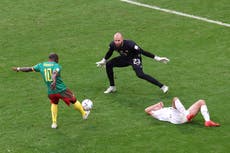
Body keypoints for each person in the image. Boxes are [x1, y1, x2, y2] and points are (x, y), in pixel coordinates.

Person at [12, 53, 90, 129]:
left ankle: (54, 123)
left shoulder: (41, 65)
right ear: (56, 59)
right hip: (61, 89)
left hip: (51, 91)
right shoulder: (56, 65)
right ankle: (84, 114)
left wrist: (18, 69)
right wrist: (54, 81)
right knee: (74, 100)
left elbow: (29, 69)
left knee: (54, 103)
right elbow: (54, 73)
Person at [96, 32, 170, 94]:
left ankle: (162, 86)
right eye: (116, 40)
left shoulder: (130, 44)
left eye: (119, 40)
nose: (117, 42)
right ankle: (112, 87)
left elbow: (142, 52)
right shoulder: (112, 44)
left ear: (122, 39)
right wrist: (104, 60)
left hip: (135, 58)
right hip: (125, 58)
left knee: (140, 74)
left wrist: (157, 58)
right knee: (108, 64)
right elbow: (109, 52)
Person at [145, 97, 220, 127]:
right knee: (175, 99)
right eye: (155, 108)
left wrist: (158, 106)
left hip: (182, 117)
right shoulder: (156, 114)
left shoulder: (164, 109)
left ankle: (208, 121)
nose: (157, 107)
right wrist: (157, 104)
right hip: (175, 119)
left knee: (201, 101)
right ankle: (187, 114)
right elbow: (146, 110)